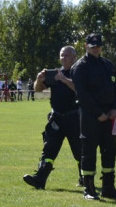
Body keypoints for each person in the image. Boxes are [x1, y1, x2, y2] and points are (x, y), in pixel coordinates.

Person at [22, 46, 82, 190]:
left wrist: (64, 79)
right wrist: (39, 79)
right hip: (56, 118)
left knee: (79, 151)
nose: (64, 58)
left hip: (74, 118)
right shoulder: (55, 73)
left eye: (67, 55)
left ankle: (85, 178)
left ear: (74, 57)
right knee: (49, 150)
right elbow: (37, 90)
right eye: (62, 55)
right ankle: (40, 179)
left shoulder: (79, 72)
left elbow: (80, 89)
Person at [71, 33, 116, 200]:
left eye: (98, 46)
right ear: (86, 46)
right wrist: (98, 113)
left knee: (110, 151)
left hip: (109, 116)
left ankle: (108, 187)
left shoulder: (108, 65)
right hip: (90, 117)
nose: (96, 49)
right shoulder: (80, 67)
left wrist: (115, 109)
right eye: (92, 46)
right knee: (89, 152)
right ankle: (89, 189)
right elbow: (83, 94)